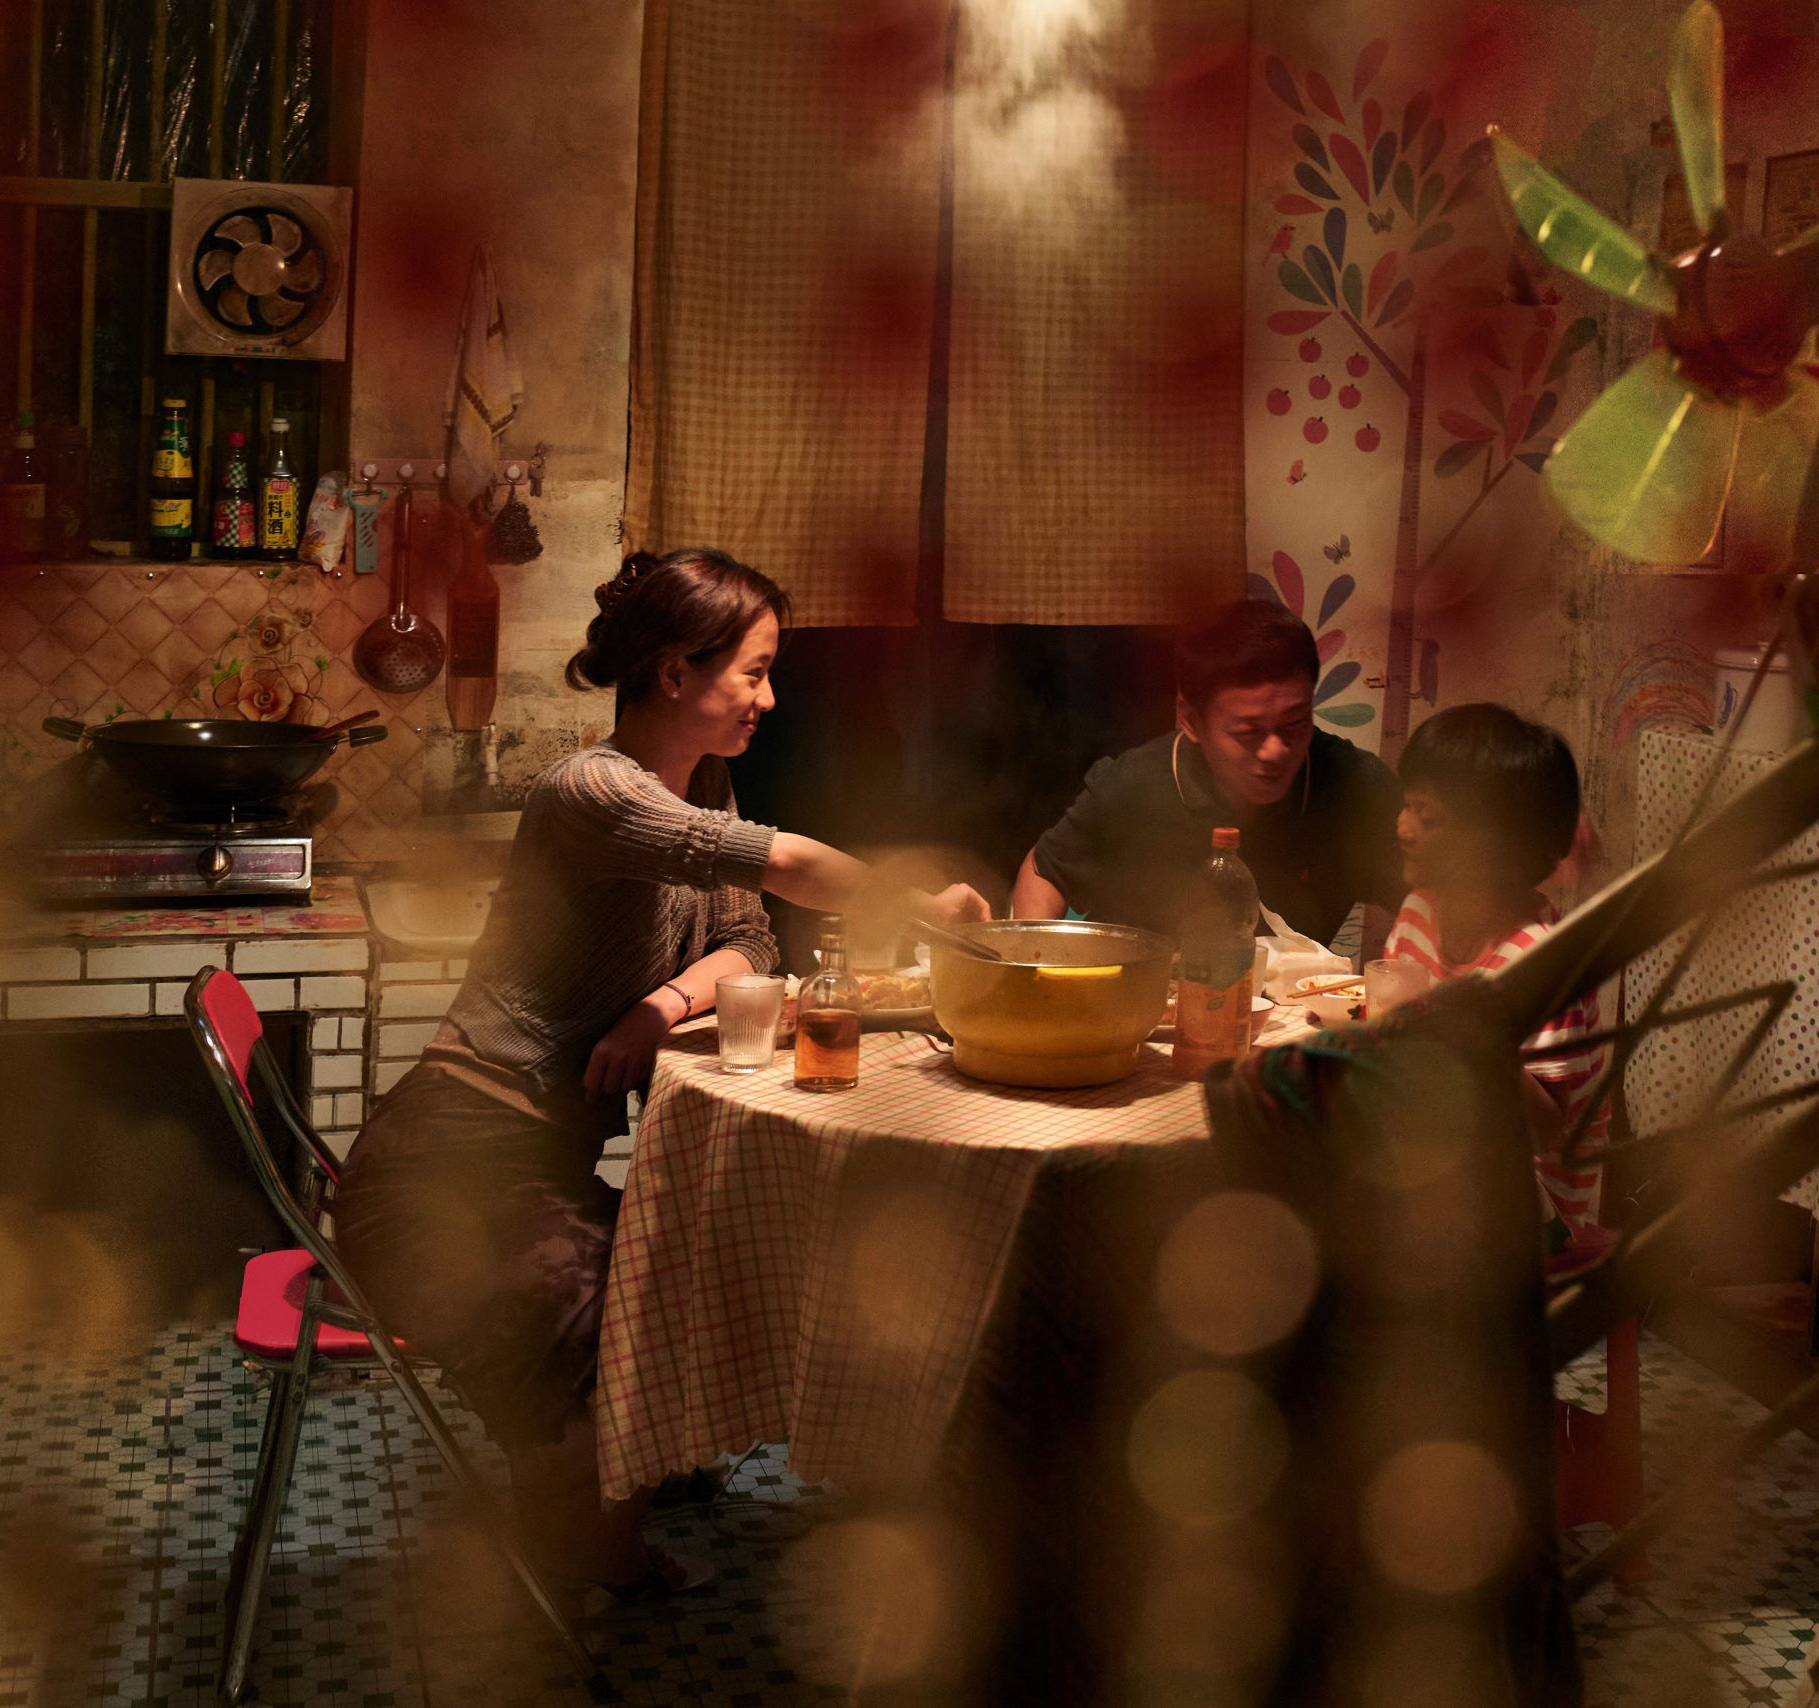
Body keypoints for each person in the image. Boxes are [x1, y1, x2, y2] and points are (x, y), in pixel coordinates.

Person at [332, 546, 989, 1600]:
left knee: (681, 1284)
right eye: (754, 673)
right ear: (676, 673)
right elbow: (782, 869)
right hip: (443, 1179)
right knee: (622, 1325)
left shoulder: (705, 784)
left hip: (534, 1166)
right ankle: (569, 1574)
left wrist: (659, 1006)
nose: (768, 699)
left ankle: (605, 1496)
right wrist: (915, 904)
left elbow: (752, 943)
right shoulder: (591, 790)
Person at [1011, 596, 1405, 945]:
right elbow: (1045, 870)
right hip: (1146, 995)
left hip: (1291, 1002)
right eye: (1248, 731)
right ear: (1191, 720)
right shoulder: (1134, 785)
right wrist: (1030, 964)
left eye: (1295, 723)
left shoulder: (1353, 786)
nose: (1275, 750)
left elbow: (1424, 888)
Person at [1382, 701, 1607, 1241]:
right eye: (1407, 805)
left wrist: (1481, 1043)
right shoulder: (1418, 913)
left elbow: (1549, 1133)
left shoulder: (1541, 961)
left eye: (1427, 815)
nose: (1403, 828)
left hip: (1529, 1216)